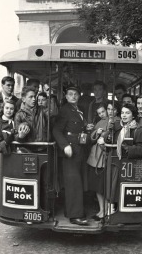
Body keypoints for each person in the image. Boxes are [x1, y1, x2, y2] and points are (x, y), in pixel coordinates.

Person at [102, 104, 142, 212]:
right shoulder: (115, 127)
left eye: (127, 113)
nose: (124, 115)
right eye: (122, 112)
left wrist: (128, 149)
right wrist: (108, 136)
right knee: (111, 186)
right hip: (113, 161)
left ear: (133, 116)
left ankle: (119, 212)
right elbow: (109, 141)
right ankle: (111, 209)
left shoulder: (138, 130)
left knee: (119, 188)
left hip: (127, 164)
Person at [53, 86, 89, 226]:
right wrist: (65, 145)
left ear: (78, 96)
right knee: (73, 183)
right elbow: (56, 130)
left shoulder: (78, 110)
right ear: (66, 97)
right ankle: (75, 216)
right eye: (70, 94)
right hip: (70, 151)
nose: (73, 96)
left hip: (79, 150)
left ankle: (72, 211)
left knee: (76, 182)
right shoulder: (64, 110)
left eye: (76, 94)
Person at [87, 103, 109, 220]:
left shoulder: (111, 122)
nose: (101, 114)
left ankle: (104, 210)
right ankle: (102, 210)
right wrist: (96, 132)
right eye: (99, 113)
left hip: (101, 156)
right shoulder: (100, 122)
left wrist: (99, 133)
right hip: (96, 156)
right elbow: (92, 136)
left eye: (103, 111)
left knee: (101, 186)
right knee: (98, 186)